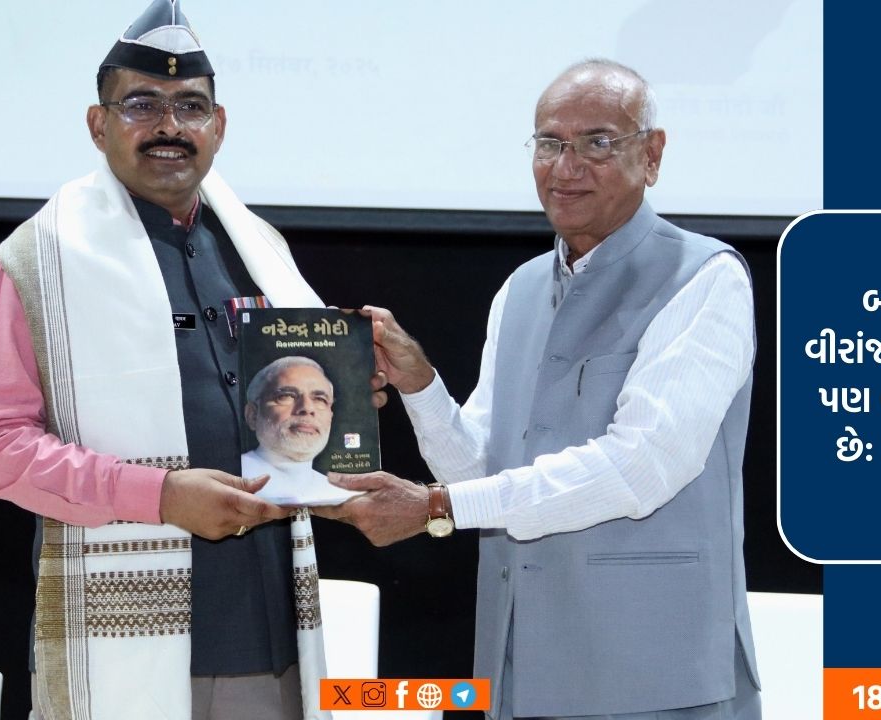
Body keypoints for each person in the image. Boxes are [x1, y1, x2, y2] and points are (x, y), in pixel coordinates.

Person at [324, 59, 761, 719]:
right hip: (520, 665)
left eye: (598, 142)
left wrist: (436, 505)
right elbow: (483, 472)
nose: (566, 166)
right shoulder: (520, 289)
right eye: (550, 143)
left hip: (655, 674)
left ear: (652, 154)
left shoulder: (705, 278)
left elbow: (643, 465)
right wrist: (420, 385)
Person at [0, 2, 348, 717]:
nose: (170, 126)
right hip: (124, 641)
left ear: (218, 126)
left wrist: (351, 396)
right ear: (97, 124)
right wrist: (158, 495)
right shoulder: (40, 263)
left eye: (190, 106)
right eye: (142, 104)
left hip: (273, 636)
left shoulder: (259, 250)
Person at [241, 356, 359, 506]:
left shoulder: (342, 495)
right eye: (286, 396)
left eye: (320, 399)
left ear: (331, 416)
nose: (307, 408)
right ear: (252, 415)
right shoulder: (230, 480)